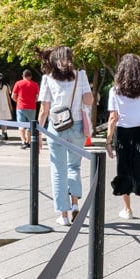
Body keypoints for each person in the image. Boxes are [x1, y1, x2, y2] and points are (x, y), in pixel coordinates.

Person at [37, 46, 94, 226]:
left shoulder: (47, 78)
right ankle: (75, 205)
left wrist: (38, 132)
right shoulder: (81, 75)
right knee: (74, 167)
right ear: (71, 59)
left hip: (56, 127)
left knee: (58, 170)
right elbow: (89, 100)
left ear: (54, 60)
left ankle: (63, 215)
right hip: (77, 127)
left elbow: (44, 110)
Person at [107, 53, 140, 225]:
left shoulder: (114, 91)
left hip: (122, 134)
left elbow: (113, 118)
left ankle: (127, 209)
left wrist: (108, 140)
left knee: (124, 170)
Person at [12, 68, 40, 149]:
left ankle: (23, 142)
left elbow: (13, 96)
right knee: (30, 125)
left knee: (21, 125)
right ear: (31, 76)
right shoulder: (35, 84)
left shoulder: (18, 83)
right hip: (32, 107)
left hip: (21, 107)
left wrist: (18, 101)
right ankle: (28, 141)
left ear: (22, 76)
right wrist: (33, 101)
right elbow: (37, 97)